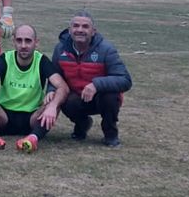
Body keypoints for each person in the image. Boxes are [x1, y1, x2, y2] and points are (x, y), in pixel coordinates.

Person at [0, 24, 70, 153]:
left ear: (36, 43)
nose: (23, 45)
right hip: (3, 117)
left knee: (55, 99)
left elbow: (63, 87)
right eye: (19, 40)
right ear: (14, 41)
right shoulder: (5, 59)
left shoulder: (41, 61)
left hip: (32, 119)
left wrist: (53, 106)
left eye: (28, 41)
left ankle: (33, 138)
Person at [53, 11, 132, 147]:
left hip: (101, 97)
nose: (80, 30)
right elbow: (54, 76)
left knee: (110, 96)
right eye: (76, 26)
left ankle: (110, 133)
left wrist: (96, 85)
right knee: (64, 98)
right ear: (70, 30)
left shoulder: (107, 49)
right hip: (77, 97)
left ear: (93, 31)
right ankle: (82, 124)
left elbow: (125, 80)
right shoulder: (60, 49)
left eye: (85, 27)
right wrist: (50, 92)